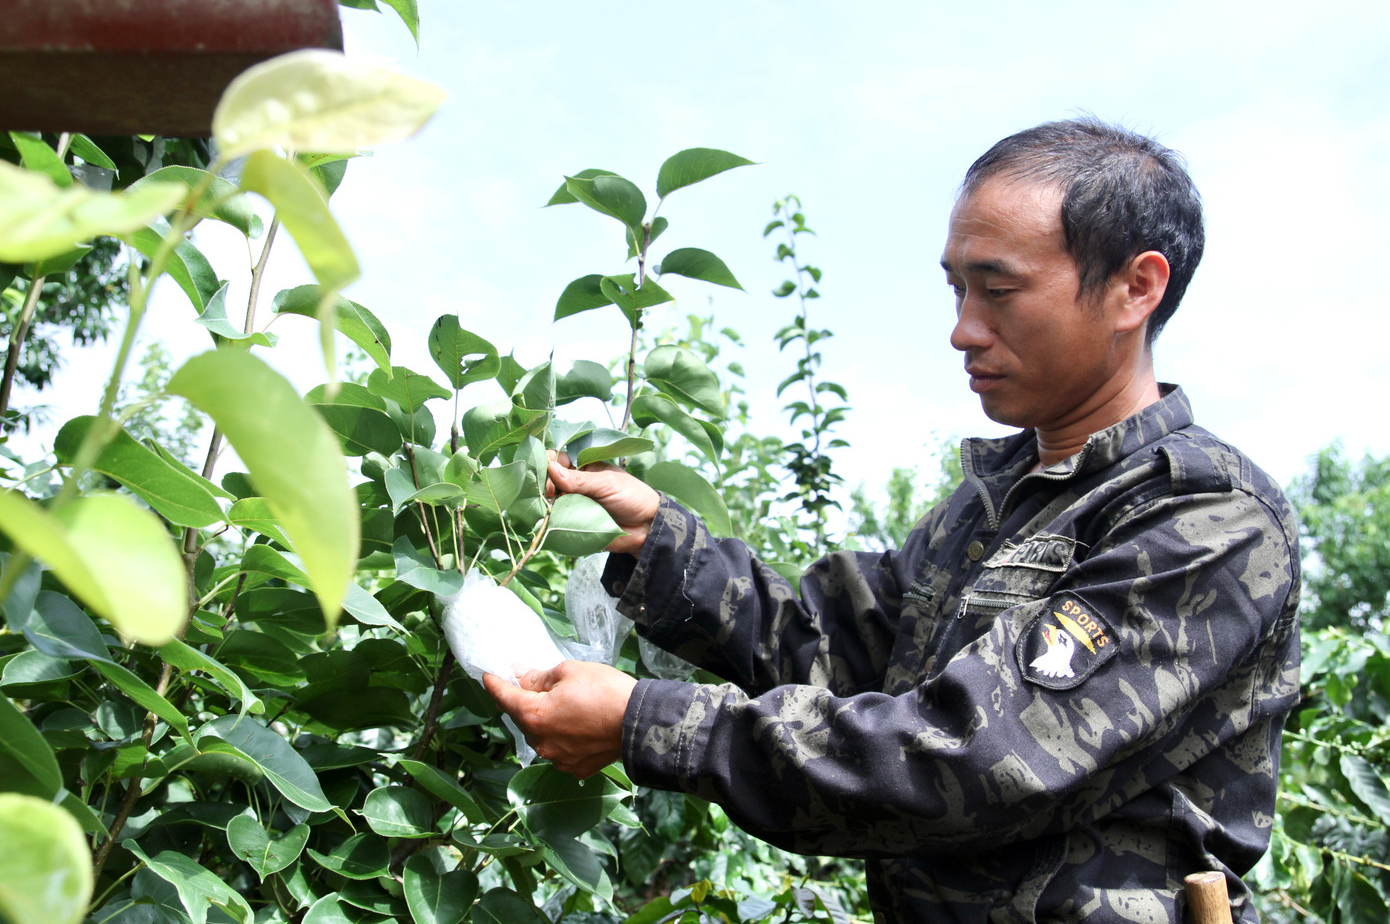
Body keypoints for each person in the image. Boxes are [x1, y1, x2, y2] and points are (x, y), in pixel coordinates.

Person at [484, 118, 1301, 924]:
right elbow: (828, 645)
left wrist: (647, 722)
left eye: (1000, 288)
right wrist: (655, 541)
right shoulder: (987, 510)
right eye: (957, 288)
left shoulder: (1205, 519)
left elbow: (980, 756)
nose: (963, 329)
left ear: (1136, 287)